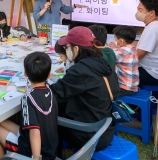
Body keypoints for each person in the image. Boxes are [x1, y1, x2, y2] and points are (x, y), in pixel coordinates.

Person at [51, 27, 120, 157]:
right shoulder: (103, 64)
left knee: (49, 114)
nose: (66, 50)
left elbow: (53, 94)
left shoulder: (80, 71)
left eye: (66, 47)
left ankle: (55, 155)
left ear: (76, 49)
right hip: (105, 129)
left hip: (88, 135)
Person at [0, 52, 58, 160]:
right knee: (0, 121)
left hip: (30, 150)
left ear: (25, 73)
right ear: (49, 74)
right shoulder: (50, 90)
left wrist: (36, 157)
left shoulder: (28, 98)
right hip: (49, 146)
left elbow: (35, 131)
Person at [135, 0, 158, 86]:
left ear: (151, 12)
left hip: (151, 73)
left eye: (140, 10)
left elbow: (138, 55)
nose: (137, 13)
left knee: (115, 72)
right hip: (154, 71)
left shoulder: (152, 29)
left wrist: (120, 51)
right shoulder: (157, 25)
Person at [108, 26, 139, 96]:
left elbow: (107, 56)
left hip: (124, 88)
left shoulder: (122, 51)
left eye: (115, 38)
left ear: (121, 41)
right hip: (132, 87)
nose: (115, 41)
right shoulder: (132, 48)